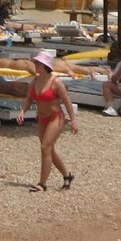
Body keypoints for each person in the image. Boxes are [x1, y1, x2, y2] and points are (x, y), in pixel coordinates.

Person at [17, 51, 78, 192]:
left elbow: (67, 102)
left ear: (44, 66)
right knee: (49, 149)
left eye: (38, 63)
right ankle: (67, 176)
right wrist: (22, 112)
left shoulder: (56, 82)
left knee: (45, 147)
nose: (35, 65)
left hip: (56, 117)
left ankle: (42, 183)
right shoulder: (35, 81)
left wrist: (73, 120)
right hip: (42, 118)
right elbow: (28, 99)